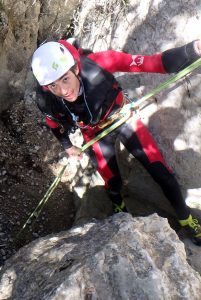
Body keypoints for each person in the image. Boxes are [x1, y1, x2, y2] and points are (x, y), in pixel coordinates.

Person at [31, 37, 201, 245]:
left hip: (122, 117)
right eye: (53, 85)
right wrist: (68, 146)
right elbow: (54, 124)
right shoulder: (46, 98)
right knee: (112, 183)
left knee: (161, 173)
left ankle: (186, 218)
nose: (63, 91)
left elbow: (153, 62)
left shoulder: (101, 63)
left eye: (65, 79)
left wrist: (192, 50)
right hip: (94, 134)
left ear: (75, 68)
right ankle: (120, 212)